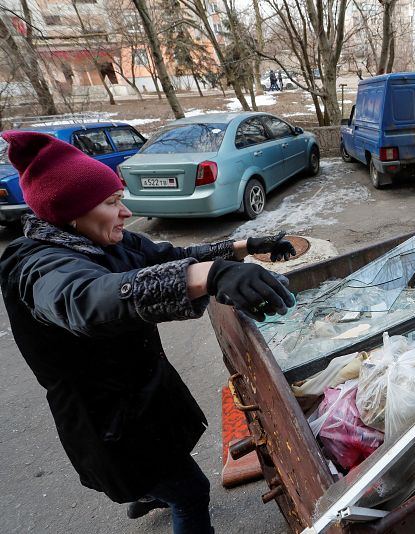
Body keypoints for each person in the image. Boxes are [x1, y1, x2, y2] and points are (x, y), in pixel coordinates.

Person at [0, 131, 299, 532]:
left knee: (160, 469)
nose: (125, 212)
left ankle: (145, 494)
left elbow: (171, 257)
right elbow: (87, 300)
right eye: (111, 203)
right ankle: (151, 492)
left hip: (142, 398)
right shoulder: (38, 267)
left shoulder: (103, 239)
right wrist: (210, 277)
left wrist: (245, 246)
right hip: (106, 421)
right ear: (69, 211)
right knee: (191, 491)